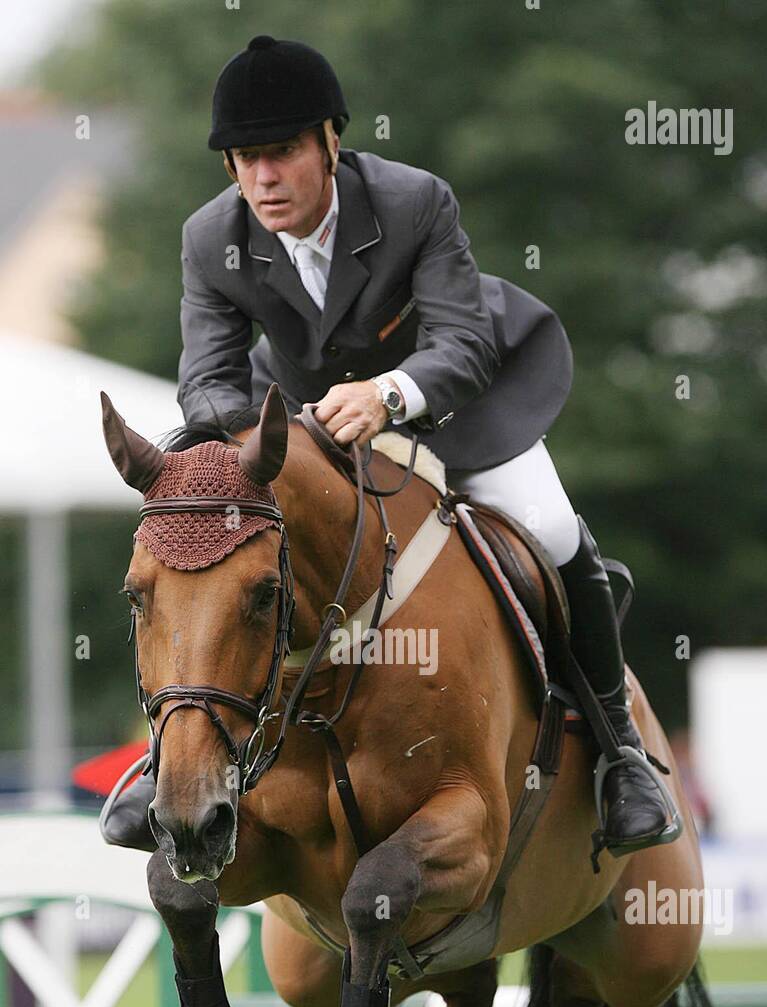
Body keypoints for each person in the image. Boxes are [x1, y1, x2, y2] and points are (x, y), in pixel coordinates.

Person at [105, 34, 672, 858]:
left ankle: (619, 755)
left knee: (547, 526)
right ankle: (174, 760)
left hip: (458, 398)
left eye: (282, 152)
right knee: (223, 555)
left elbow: (461, 343)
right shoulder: (209, 237)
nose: (263, 178)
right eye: (243, 158)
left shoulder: (413, 202)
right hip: (303, 420)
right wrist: (257, 445)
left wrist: (387, 394)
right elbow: (207, 381)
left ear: (330, 142)